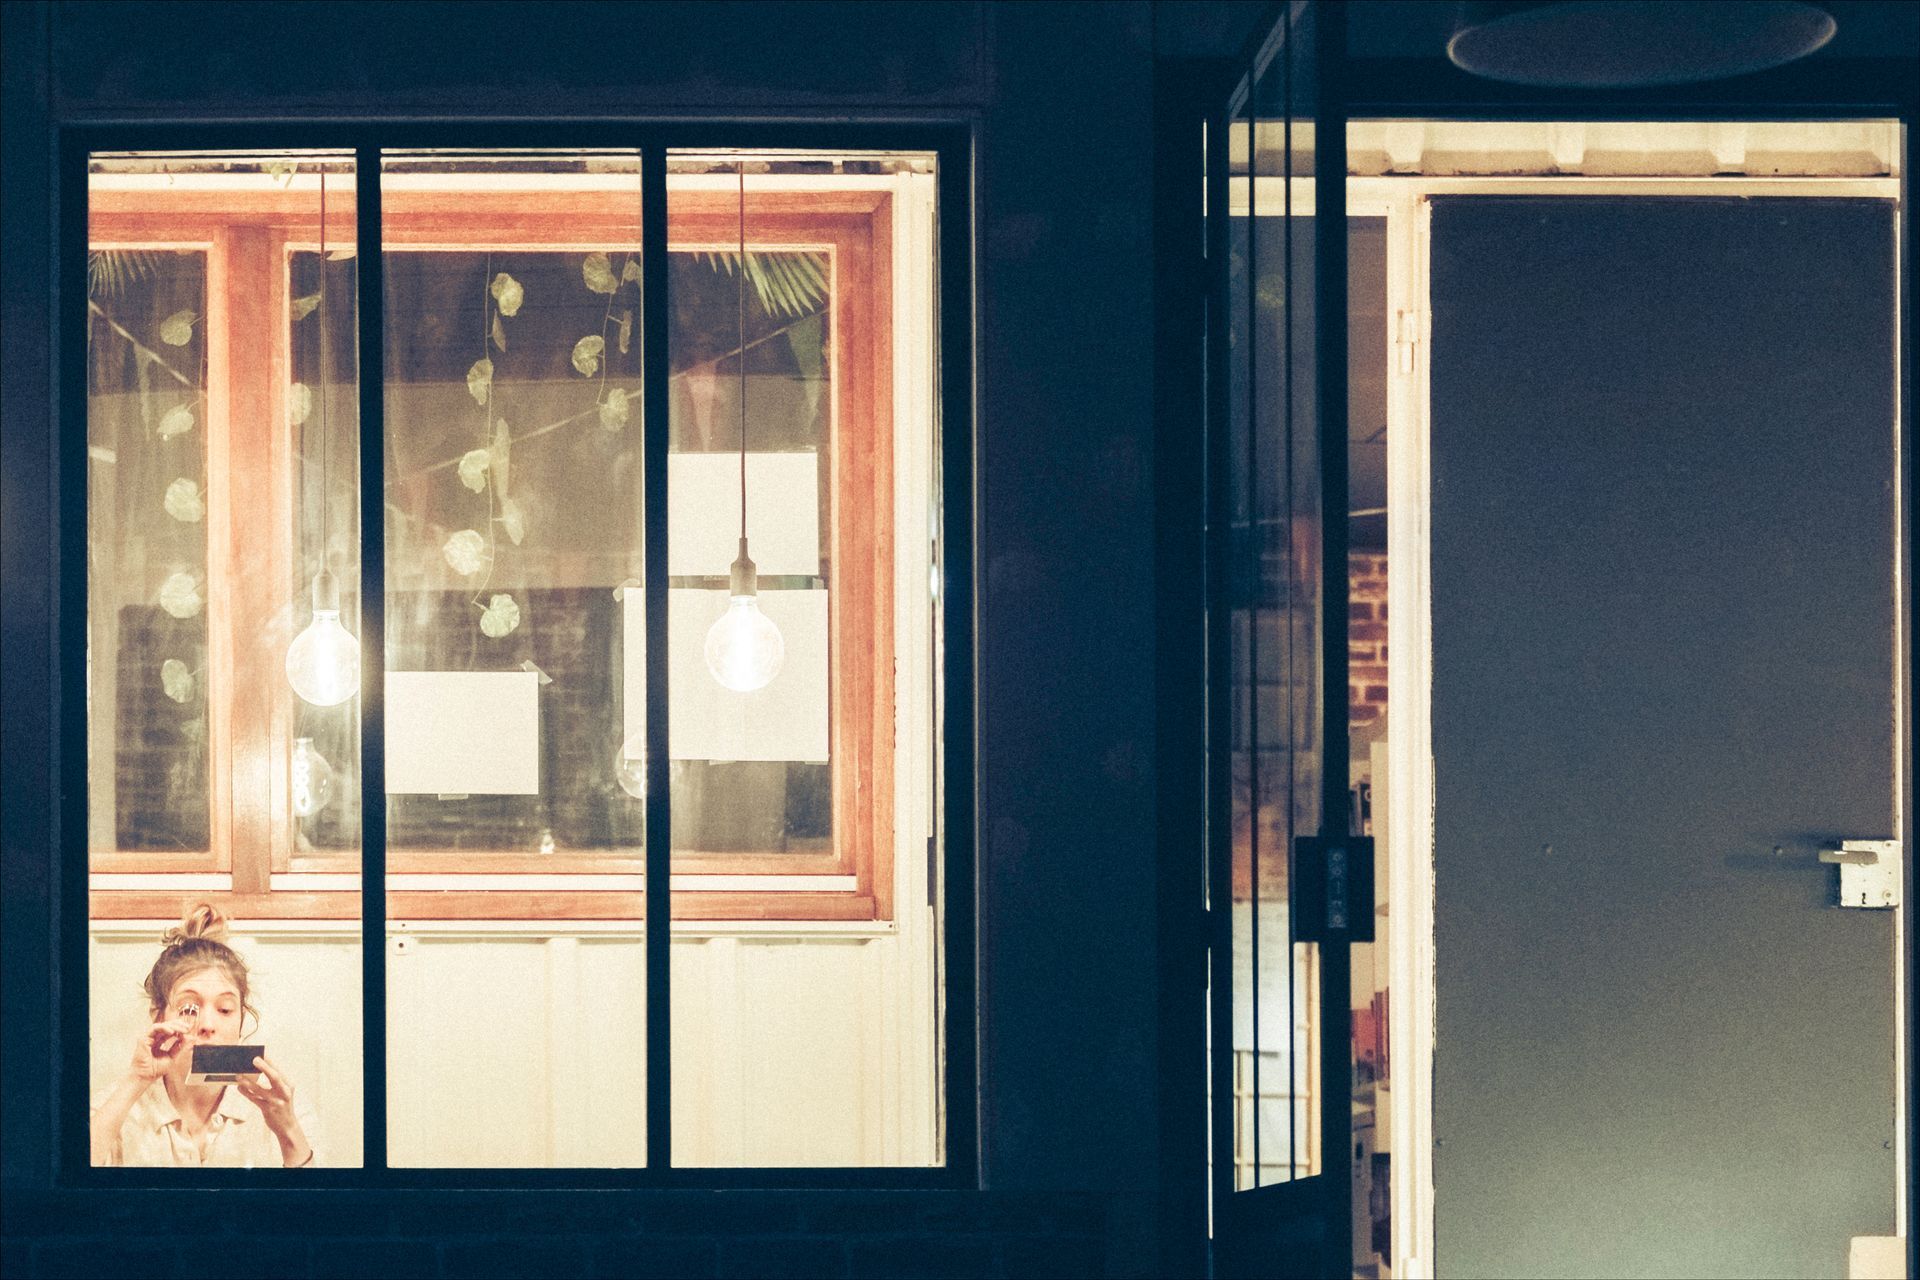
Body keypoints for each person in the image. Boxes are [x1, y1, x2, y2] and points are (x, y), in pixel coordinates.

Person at [90, 902, 320, 1168]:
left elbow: (314, 1209)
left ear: (241, 1019)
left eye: (224, 1009)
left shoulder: (281, 1108)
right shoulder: (116, 1107)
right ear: (159, 1015)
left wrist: (288, 1131)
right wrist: (135, 1081)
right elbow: (66, 1187)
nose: (207, 1024)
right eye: (189, 1009)